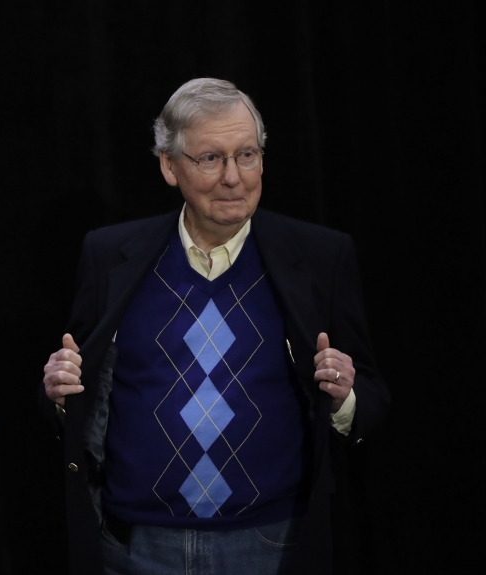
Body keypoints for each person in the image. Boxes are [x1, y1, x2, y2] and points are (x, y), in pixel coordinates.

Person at [40, 78, 388, 574]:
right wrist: (57, 393)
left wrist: (344, 398)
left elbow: (372, 399)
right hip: (135, 548)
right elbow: (76, 388)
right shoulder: (108, 256)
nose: (233, 177)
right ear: (168, 165)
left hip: (271, 546)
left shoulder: (319, 257)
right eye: (211, 158)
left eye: (246, 155)